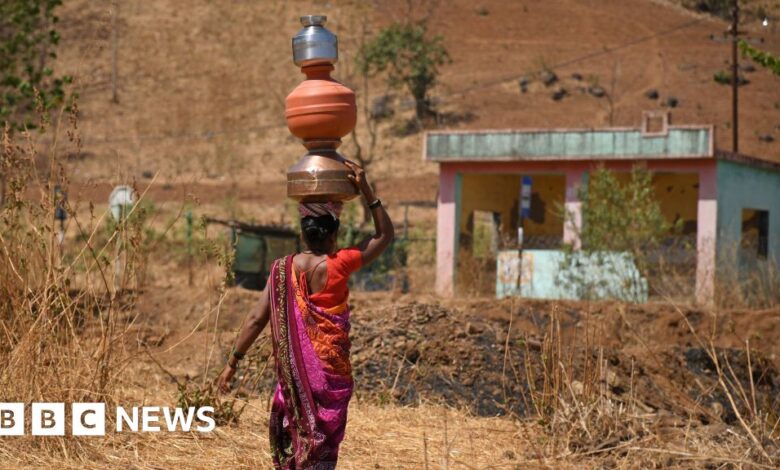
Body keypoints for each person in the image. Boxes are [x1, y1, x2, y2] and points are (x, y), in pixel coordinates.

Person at [217, 161, 394, 469]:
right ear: (334, 232)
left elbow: (256, 319)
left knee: (295, 443)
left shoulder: (281, 270)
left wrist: (232, 364)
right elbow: (384, 235)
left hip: (295, 380)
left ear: (303, 232)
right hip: (330, 377)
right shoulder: (341, 263)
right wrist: (366, 189)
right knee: (321, 448)